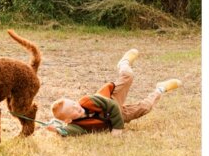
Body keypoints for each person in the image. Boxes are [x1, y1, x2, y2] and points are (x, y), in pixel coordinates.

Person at [47, 48, 181, 136]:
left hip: (111, 100)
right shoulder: (78, 125)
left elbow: (112, 106)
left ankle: (123, 63)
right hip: (118, 115)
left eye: (74, 104)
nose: (78, 107)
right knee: (146, 107)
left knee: (128, 76)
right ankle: (161, 88)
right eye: (73, 110)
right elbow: (71, 131)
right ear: (69, 119)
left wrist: (117, 128)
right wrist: (58, 130)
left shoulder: (88, 101)